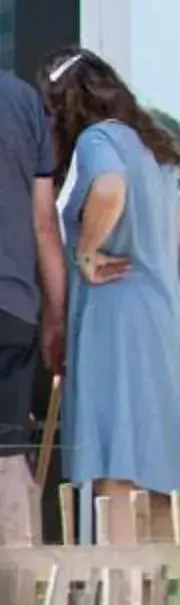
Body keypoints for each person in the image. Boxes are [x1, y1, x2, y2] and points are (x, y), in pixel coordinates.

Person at [41, 50, 180, 537]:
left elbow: (109, 187)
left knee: (116, 456)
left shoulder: (98, 140)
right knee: (157, 462)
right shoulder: (153, 148)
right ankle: (164, 597)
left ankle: (119, 585)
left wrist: (87, 249)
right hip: (160, 313)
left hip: (115, 312)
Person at [0, 63, 66, 540]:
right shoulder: (23, 101)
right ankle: (20, 594)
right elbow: (45, 223)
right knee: (6, 457)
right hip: (14, 305)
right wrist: (56, 316)